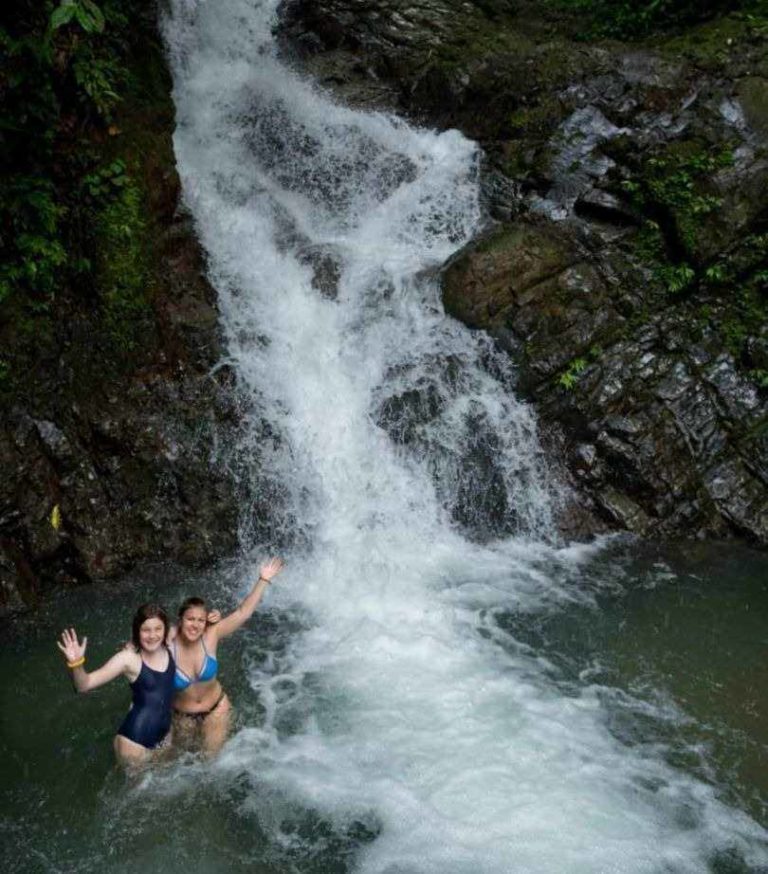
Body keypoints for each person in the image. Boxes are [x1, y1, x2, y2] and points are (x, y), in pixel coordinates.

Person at [172, 557, 284, 755]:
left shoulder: (211, 634)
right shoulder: (166, 642)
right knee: (180, 763)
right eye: (190, 619)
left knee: (211, 762)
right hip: (183, 715)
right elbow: (145, 637)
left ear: (206, 621)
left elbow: (242, 613)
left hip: (216, 709)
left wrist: (263, 580)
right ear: (180, 620)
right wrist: (131, 647)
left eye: (200, 620)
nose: (195, 625)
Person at [56, 603, 176, 768]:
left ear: (165, 629)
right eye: (145, 630)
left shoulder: (168, 641)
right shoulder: (128, 659)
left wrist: (209, 619)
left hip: (164, 735)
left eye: (158, 629)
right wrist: (76, 663)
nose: (152, 635)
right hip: (134, 744)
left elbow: (190, 624)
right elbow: (84, 685)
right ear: (137, 631)